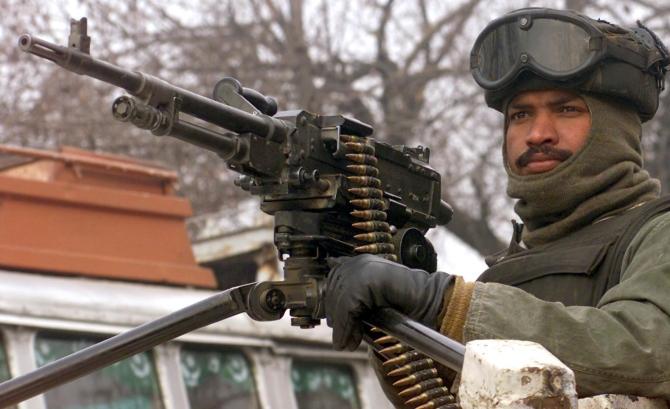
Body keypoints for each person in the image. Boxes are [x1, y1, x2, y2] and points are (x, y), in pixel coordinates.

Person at [324, 7, 670, 404]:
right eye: (521, 115)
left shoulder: (657, 234)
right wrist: (395, 307)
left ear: (616, 128)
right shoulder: (503, 279)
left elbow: (649, 347)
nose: (538, 133)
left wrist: (443, 303)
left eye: (566, 109)